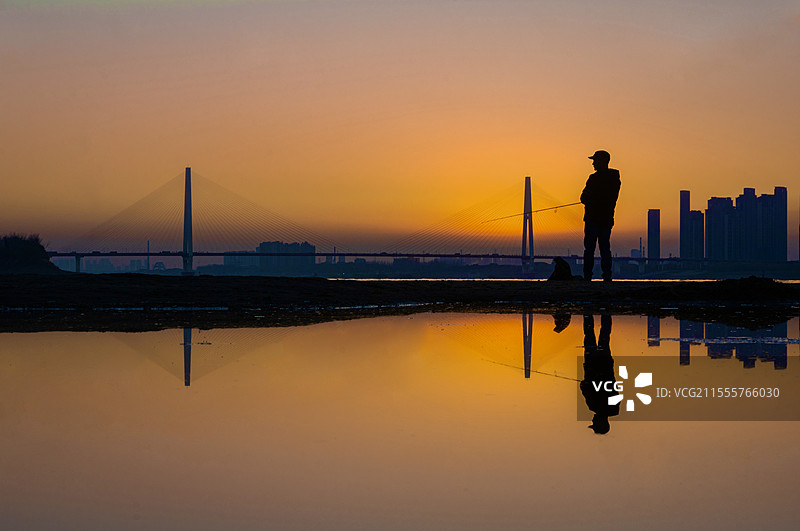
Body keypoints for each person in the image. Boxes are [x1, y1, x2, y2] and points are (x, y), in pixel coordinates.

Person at [580, 150, 621, 281]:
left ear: (602, 162)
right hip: (607, 219)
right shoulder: (615, 179)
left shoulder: (593, 179)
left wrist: (591, 198)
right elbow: (612, 197)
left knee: (589, 249)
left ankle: (587, 276)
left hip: (593, 218)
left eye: (595, 160)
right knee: (605, 248)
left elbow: (583, 197)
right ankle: (607, 276)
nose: (593, 164)